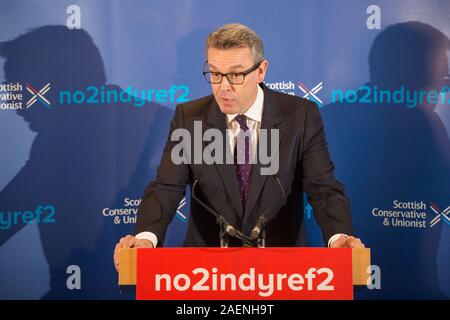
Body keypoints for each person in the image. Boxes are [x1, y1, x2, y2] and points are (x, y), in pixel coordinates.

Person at [114, 23, 364, 271]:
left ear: (261, 71)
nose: (223, 87)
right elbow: (166, 189)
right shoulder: (189, 119)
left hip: (283, 271)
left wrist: (338, 238)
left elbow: (323, 189)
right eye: (214, 73)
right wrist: (145, 240)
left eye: (235, 75)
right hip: (205, 270)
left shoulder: (300, 117)